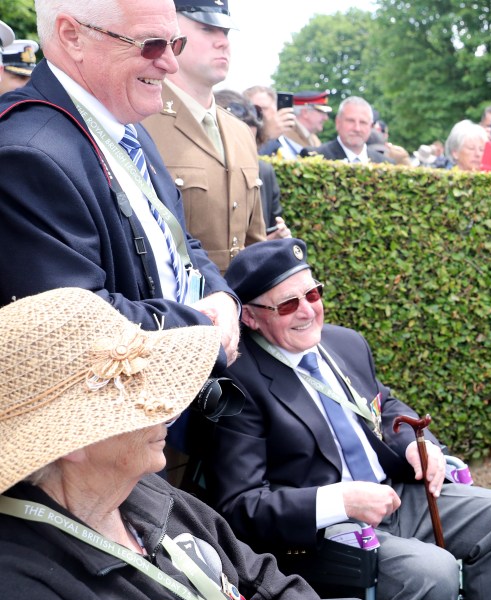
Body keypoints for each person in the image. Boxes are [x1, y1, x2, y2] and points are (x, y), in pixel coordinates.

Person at [202, 239, 491, 600]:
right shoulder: (237, 381)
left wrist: (422, 446)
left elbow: (389, 408)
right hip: (324, 536)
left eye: (313, 294)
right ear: (250, 317)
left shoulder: (345, 344)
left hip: (394, 493)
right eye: (288, 305)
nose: (308, 311)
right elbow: (241, 507)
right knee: (431, 571)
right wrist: (340, 501)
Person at [0, 287, 373, 600]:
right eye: (138, 396)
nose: (167, 408)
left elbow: (265, 581)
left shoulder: (143, 491)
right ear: (74, 438)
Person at [0, 0, 240, 366]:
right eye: (152, 45)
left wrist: (221, 296)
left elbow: (178, 242)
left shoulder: (127, 127)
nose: (170, 63)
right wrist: (203, 324)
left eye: (176, 44)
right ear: (72, 36)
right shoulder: (26, 152)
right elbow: (77, 324)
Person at [142, 0, 267, 273]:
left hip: (238, 307)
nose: (223, 42)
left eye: (226, 33)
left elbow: (254, 243)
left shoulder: (241, 133)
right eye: (208, 29)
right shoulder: (139, 123)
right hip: (172, 309)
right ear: (171, 36)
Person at [215, 89, 291, 239]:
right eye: (239, 140)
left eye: (251, 141)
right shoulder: (206, 168)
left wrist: (277, 238)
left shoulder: (264, 171)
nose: (245, 149)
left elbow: (271, 226)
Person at [316, 96, 385, 164]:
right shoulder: (315, 158)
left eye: (363, 122)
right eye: (350, 121)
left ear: (370, 126)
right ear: (338, 122)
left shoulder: (385, 163)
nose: (357, 128)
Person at [244, 84, 297, 157]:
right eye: (255, 108)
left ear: (275, 109)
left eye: (264, 108)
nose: (259, 112)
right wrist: (268, 137)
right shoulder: (242, 137)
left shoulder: (288, 138)